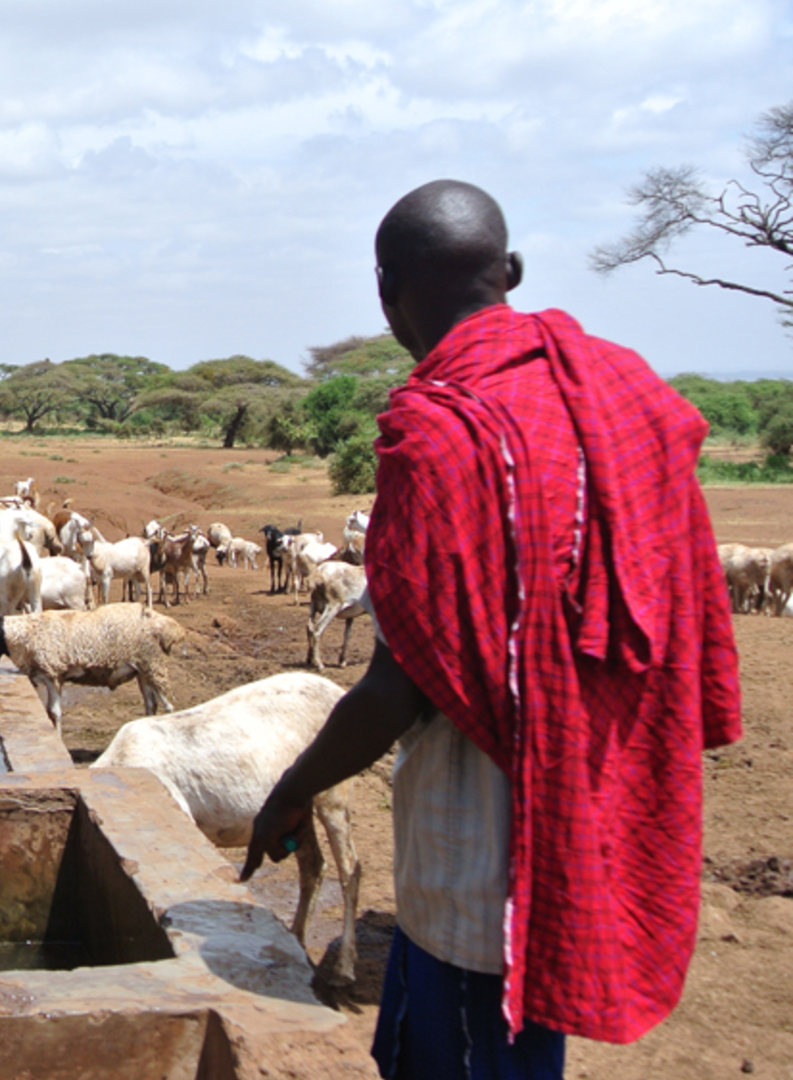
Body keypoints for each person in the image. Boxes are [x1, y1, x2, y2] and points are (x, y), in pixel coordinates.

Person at [242, 180, 742, 1078]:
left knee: (475, 1030)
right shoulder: (623, 391)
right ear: (509, 271)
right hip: (602, 758)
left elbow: (398, 685)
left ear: (387, 296)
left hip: (484, 798)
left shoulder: (435, 433)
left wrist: (292, 788)